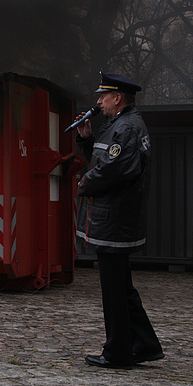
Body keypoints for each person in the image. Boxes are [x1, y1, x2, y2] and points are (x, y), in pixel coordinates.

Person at [75, 70, 164, 370]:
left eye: (103, 96)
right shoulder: (118, 125)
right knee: (122, 288)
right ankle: (145, 344)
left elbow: (113, 171)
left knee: (114, 291)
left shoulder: (126, 128)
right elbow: (104, 160)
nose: (99, 101)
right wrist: (87, 140)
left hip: (114, 221)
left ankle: (117, 353)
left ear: (118, 98)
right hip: (116, 219)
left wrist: (83, 184)